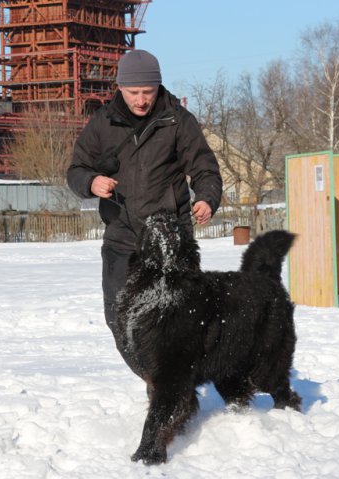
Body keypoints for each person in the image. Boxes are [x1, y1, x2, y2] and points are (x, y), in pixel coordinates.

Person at [67, 49, 223, 374]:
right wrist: (91, 181)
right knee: (118, 316)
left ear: (158, 87)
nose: (141, 100)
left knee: (177, 316)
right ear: (120, 88)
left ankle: (173, 383)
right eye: (134, 92)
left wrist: (207, 197)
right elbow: (76, 169)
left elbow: (205, 168)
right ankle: (156, 380)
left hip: (170, 237)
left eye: (148, 92)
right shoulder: (102, 122)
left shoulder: (178, 121)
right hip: (122, 238)